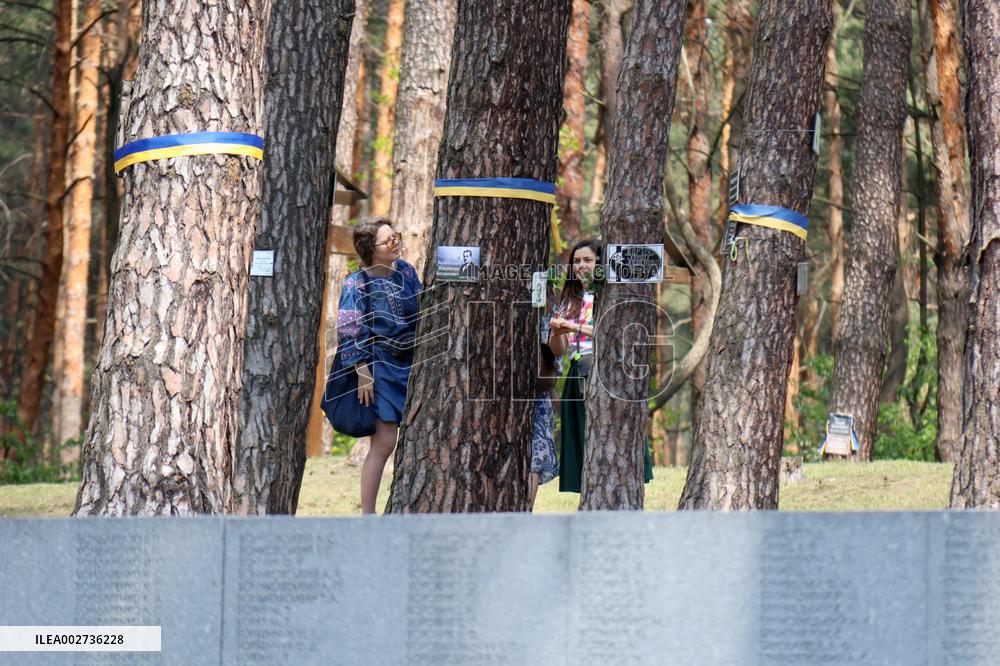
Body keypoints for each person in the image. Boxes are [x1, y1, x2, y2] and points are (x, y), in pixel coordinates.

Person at [548, 239, 652, 493]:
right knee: (583, 435)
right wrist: (557, 331)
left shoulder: (608, 295)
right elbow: (559, 350)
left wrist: (574, 327)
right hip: (577, 372)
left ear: (600, 263)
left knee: (610, 434)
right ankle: (590, 492)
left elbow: (611, 333)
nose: (581, 266)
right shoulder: (570, 301)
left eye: (588, 260)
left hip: (606, 370)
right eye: (576, 261)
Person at [335, 218, 421, 514]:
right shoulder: (355, 284)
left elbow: (421, 312)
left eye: (395, 236)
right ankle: (368, 517)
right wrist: (362, 374)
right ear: (369, 249)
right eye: (387, 240)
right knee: (384, 442)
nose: (395, 243)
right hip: (380, 369)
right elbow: (349, 331)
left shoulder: (408, 272)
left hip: (413, 365)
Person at [528, 287, 560, 510]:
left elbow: (551, 347)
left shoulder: (547, 295)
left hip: (538, 389)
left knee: (535, 456)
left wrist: (551, 386)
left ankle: (525, 509)